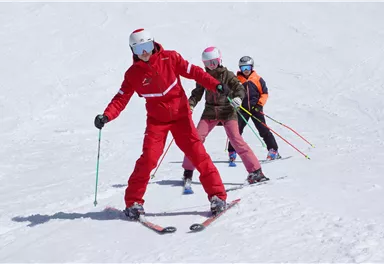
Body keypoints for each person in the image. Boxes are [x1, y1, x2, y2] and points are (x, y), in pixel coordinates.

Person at [94, 29, 229, 219]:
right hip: (157, 121)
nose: (145, 53)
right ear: (132, 50)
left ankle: (217, 196)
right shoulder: (133, 74)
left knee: (198, 154)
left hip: (181, 117)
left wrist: (215, 84)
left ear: (153, 44)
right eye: (139, 49)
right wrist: (106, 116)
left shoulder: (170, 58)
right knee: (148, 159)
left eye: (147, 47)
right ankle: (133, 202)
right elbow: (121, 98)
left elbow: (195, 72)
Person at [182, 47, 269, 189]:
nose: (212, 65)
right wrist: (189, 105)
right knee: (197, 138)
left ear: (219, 60)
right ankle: (188, 171)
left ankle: (256, 172)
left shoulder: (227, 75)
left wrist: (238, 99)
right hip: (210, 111)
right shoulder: (203, 76)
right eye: (208, 63)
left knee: (236, 139)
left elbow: (239, 88)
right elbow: (196, 94)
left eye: (214, 62)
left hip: (228, 111)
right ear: (204, 63)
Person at [227, 56, 280, 161]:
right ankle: (232, 151)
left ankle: (273, 150)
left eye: (247, 67)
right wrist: (233, 102)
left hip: (256, 108)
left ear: (251, 67)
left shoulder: (258, 79)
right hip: (242, 109)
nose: (245, 70)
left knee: (263, 129)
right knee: (236, 131)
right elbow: (230, 93)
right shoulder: (236, 80)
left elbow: (264, 93)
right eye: (243, 68)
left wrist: (259, 105)